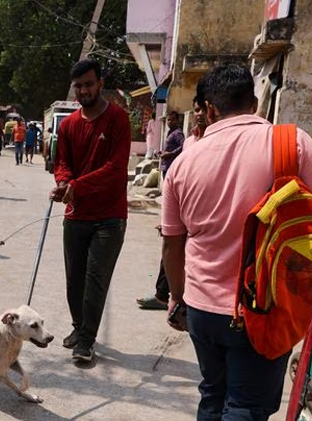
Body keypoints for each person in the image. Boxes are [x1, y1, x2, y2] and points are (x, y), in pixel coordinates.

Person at [157, 63, 312, 421]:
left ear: (208, 109)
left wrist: (176, 299)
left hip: (200, 305)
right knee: (249, 406)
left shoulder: (184, 162)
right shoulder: (292, 144)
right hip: (265, 306)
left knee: (214, 391)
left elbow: (173, 244)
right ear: (252, 101)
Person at [50, 59, 130, 364]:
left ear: (100, 83)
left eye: (89, 84)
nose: (83, 90)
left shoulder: (118, 119)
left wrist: (76, 186)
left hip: (109, 216)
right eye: (79, 85)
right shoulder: (69, 125)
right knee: (75, 278)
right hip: (76, 214)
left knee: (96, 277)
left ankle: (86, 340)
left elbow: (115, 168)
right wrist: (63, 183)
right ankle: (77, 327)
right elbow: (62, 163)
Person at [137, 97, 208, 312]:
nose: (199, 114)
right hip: (184, 204)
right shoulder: (190, 140)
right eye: (196, 110)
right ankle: (165, 295)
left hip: (205, 212)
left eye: (202, 109)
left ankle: (179, 297)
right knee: (171, 251)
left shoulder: (216, 142)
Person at [159, 110, 185, 179]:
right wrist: (162, 153)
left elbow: (183, 147)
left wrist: (171, 154)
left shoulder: (178, 133)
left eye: (172, 120)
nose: (170, 122)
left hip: (172, 166)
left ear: (177, 120)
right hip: (166, 165)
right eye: (168, 120)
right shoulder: (170, 132)